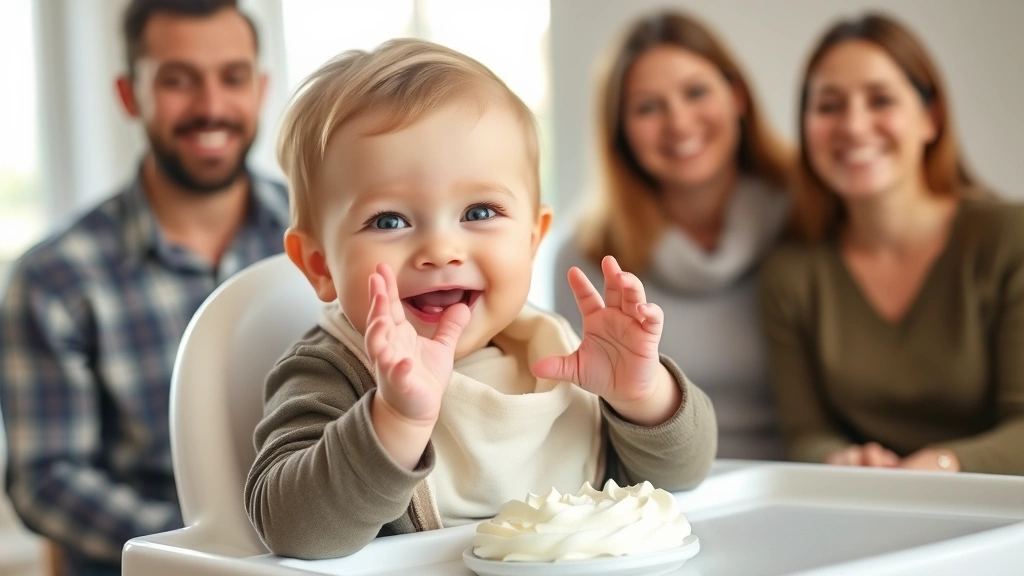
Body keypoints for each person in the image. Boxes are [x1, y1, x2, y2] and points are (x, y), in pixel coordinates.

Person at [243, 38, 717, 560]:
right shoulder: (334, 370)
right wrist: (394, 421)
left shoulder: (559, 355)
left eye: (479, 212)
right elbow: (291, 529)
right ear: (320, 265)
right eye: (390, 220)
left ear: (533, 240)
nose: (442, 249)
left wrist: (643, 397)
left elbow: (686, 474)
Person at [0, 0, 288, 573]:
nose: (211, 106)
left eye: (232, 78)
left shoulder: (327, 241)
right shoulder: (54, 278)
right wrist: (206, 549)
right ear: (130, 95)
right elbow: (47, 477)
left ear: (258, 89)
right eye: (178, 81)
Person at [760, 12, 1024, 476]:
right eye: (828, 105)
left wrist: (941, 466)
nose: (854, 126)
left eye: (881, 99)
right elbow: (805, 433)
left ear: (931, 118)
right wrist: (838, 458)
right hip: (867, 508)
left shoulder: (1008, 239)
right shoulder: (791, 272)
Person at [553, 11, 792, 460]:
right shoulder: (587, 255)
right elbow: (584, 424)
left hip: (808, 484)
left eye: (696, 92)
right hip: (657, 496)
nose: (679, 122)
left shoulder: (808, 218)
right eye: (647, 107)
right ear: (620, 131)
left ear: (737, 95)